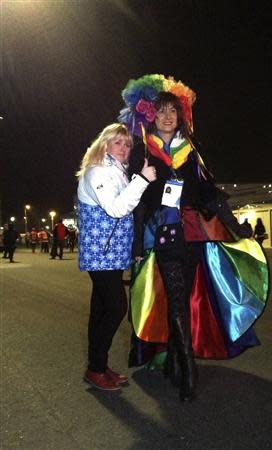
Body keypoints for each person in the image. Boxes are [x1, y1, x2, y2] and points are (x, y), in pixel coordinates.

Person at [120, 74, 269, 402]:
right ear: (151, 117)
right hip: (165, 237)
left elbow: (208, 193)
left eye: (172, 111)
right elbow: (140, 205)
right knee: (175, 299)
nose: (167, 117)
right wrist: (134, 248)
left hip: (195, 237)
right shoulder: (145, 153)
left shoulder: (192, 150)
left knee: (184, 299)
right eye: (160, 112)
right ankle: (189, 366)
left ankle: (175, 355)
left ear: (181, 114)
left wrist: (239, 228)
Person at [77, 123, 156, 391]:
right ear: (105, 144)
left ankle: (97, 366)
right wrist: (143, 180)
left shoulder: (117, 172)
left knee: (100, 310)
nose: (124, 149)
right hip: (100, 254)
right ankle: (95, 368)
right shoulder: (98, 171)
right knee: (115, 308)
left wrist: (132, 251)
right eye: (118, 143)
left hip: (110, 254)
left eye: (127, 144)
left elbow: (130, 216)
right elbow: (116, 209)